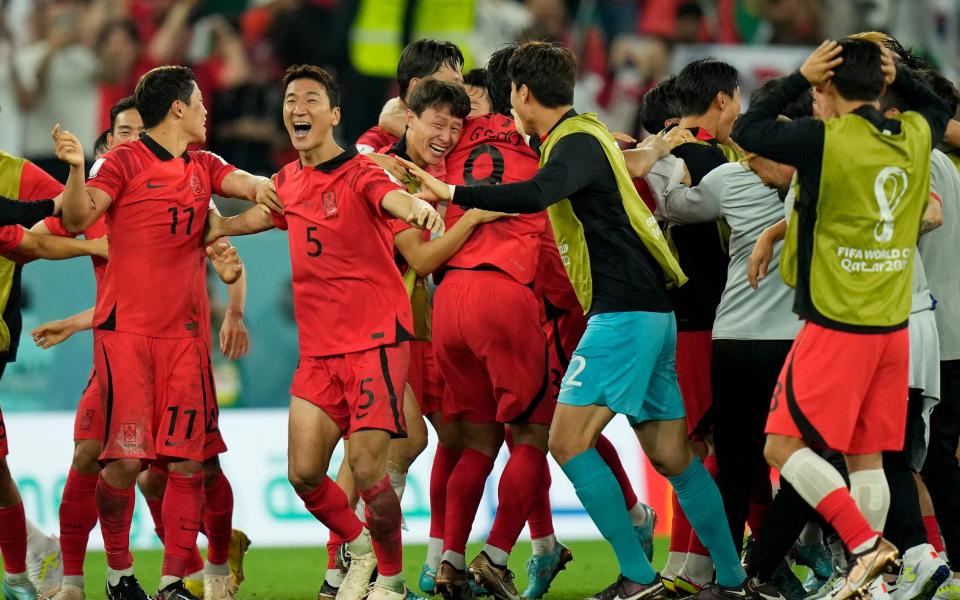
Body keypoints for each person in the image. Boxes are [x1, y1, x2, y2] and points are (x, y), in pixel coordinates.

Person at [411, 41, 754, 600]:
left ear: (522, 94)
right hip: (650, 311)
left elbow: (539, 192)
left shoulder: (569, 143)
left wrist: (453, 191)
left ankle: (638, 578)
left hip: (622, 313)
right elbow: (624, 168)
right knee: (673, 456)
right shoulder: (587, 134)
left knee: (566, 441)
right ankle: (733, 582)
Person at [204, 64, 442, 600]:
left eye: (311, 99)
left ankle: (394, 580)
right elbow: (260, 218)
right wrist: (218, 227)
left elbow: (392, 199)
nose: (298, 109)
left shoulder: (361, 172)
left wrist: (418, 206)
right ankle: (358, 547)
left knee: (367, 469)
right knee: (305, 473)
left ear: (334, 114)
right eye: (291, 100)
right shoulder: (287, 181)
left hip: (375, 343)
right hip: (318, 355)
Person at [732, 39, 951, 600]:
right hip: (892, 329)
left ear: (825, 88)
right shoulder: (914, 138)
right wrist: (894, 74)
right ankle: (873, 586)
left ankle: (864, 546)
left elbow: (749, 130)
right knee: (866, 458)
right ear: (881, 86)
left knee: (781, 449)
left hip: (836, 326)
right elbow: (937, 106)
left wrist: (795, 77)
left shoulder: (824, 141)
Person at [54, 65, 274, 600]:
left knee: (185, 461)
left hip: (185, 339)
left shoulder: (205, 165)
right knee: (124, 460)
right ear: (178, 107)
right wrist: (79, 169)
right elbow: (75, 215)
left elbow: (255, 188)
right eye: (199, 101)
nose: (206, 110)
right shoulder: (122, 161)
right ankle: (114, 574)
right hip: (125, 333)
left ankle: (177, 579)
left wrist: (283, 189)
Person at [0, 206, 108, 600]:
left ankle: (26, 566)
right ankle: (35, 551)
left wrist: (69, 211)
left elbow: (28, 237)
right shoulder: (38, 345)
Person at [356, 39, 465, 154]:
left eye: (462, 84)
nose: (464, 93)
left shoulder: (469, 122)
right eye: (453, 85)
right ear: (417, 86)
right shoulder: (375, 148)